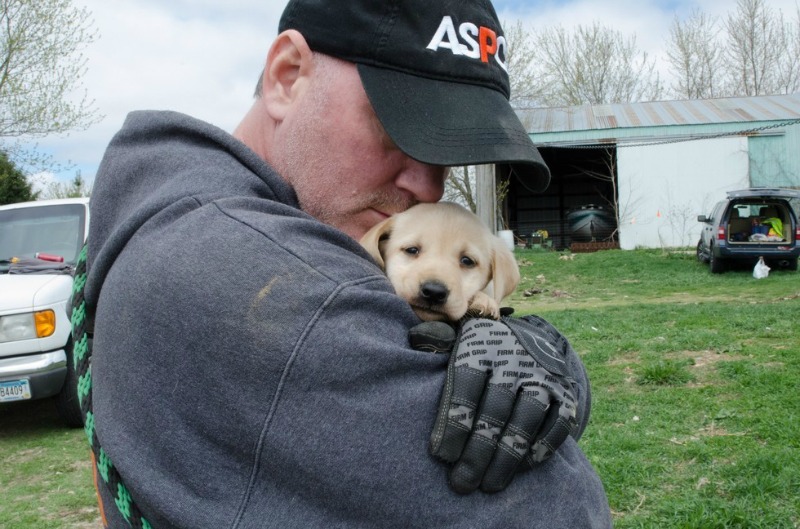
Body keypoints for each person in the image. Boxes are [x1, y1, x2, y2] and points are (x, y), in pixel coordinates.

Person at [81, 0, 612, 527]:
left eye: (446, 152)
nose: (427, 187)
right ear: (288, 76)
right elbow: (561, 506)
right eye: (396, 127)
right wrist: (560, 379)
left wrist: (552, 365)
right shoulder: (276, 287)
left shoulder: (168, 208)